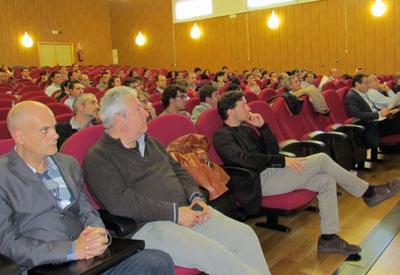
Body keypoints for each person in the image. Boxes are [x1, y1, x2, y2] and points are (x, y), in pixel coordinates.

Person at [82, 87, 269, 275]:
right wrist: (175, 214)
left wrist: (196, 198)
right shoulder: (99, 157)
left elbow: (179, 171)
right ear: (119, 120)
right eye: (138, 109)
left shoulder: (151, 142)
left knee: (244, 235)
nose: (147, 113)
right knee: (216, 255)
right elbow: (121, 203)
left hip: (186, 211)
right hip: (149, 225)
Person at [213, 90, 400, 256]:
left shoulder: (246, 128)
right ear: (230, 111)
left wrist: (263, 127)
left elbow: (272, 151)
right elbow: (244, 160)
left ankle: (328, 239)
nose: (248, 107)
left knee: (325, 181)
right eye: (243, 104)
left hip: (272, 172)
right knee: (321, 160)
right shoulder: (222, 136)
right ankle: (369, 193)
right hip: (256, 182)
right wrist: (283, 161)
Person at [0, 101, 175, 275]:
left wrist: (97, 233)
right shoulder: (4, 176)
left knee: (158, 261)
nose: (55, 135)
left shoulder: (68, 164)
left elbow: (87, 211)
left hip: (89, 258)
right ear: (19, 136)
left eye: (54, 128)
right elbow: (8, 244)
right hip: (43, 265)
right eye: (44, 130)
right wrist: (71, 250)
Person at [345, 74, 400, 148]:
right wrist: (379, 114)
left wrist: (388, 112)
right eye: (366, 83)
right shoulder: (351, 96)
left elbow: (372, 108)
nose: (368, 85)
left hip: (379, 120)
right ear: (357, 84)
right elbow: (356, 114)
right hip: (373, 125)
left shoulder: (363, 93)